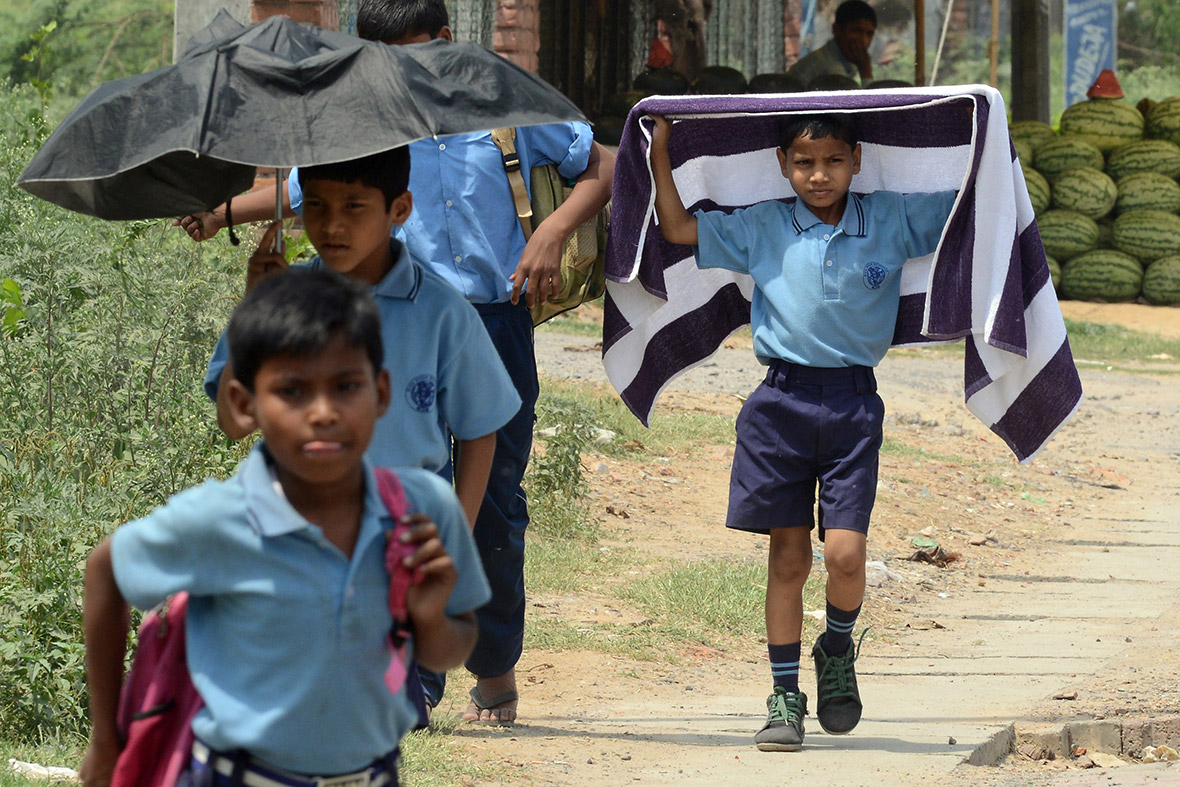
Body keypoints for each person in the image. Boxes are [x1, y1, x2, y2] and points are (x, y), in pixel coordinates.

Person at [178, 0, 616, 727]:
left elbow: (598, 166)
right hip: (375, 313)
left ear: (443, 42)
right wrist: (223, 216)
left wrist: (554, 232)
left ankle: (495, 670)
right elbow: (307, 197)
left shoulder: (501, 108)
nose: (392, 73)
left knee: (494, 502)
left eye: (407, 56)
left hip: (482, 317)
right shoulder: (364, 125)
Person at [79, 268, 491, 787]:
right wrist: (104, 740)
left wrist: (429, 615)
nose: (322, 413)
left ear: (381, 392)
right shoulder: (221, 519)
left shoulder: (421, 509)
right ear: (243, 403)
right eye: (292, 391)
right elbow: (105, 571)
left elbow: (451, 648)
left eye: (346, 386)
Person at [648, 111, 955, 751]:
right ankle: (784, 695)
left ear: (859, 159)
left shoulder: (893, 219)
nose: (820, 175)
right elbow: (677, 228)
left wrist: (987, 129)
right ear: (784, 165)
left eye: (834, 161)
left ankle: (836, 646)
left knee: (845, 555)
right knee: (788, 557)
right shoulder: (762, 225)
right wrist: (661, 153)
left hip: (852, 406)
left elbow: (970, 203)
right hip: (778, 407)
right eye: (805, 163)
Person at [786, 0, 877, 87]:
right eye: (856, 31)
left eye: (869, 34)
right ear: (836, 29)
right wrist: (866, 71)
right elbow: (870, 102)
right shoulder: (830, 67)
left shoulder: (835, 57)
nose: (864, 40)